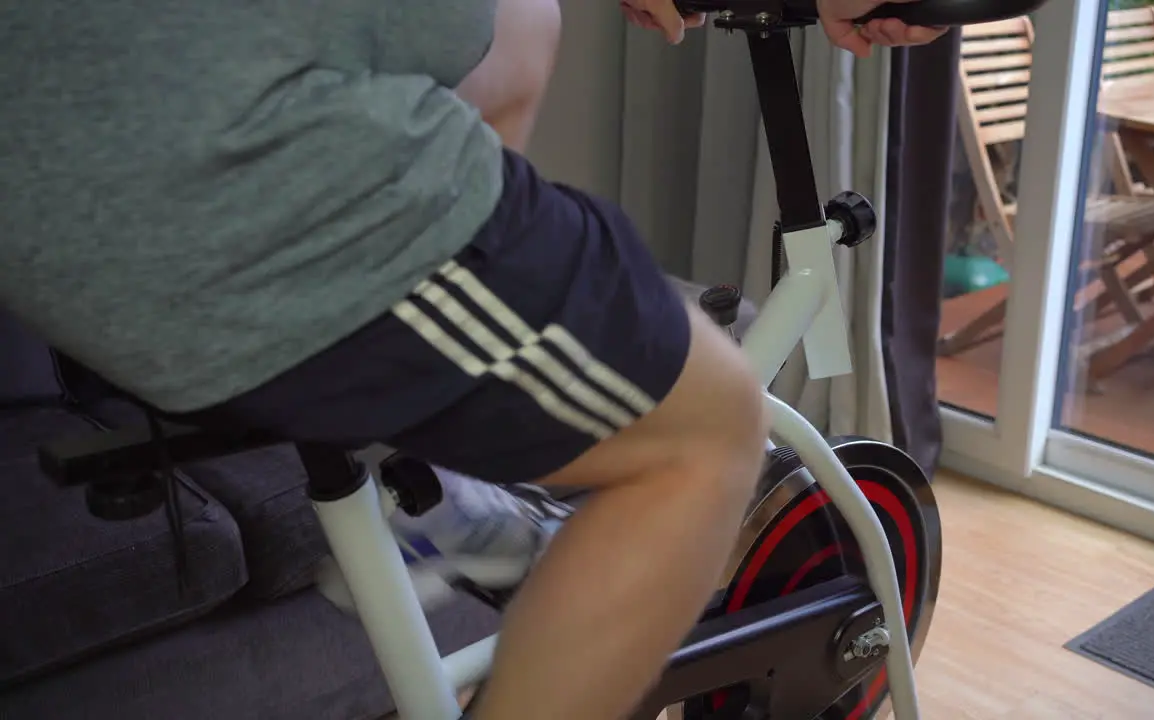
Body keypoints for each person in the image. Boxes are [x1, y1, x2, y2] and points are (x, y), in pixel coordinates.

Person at [0, 0, 945, 718]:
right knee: (704, 431)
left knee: (520, 30)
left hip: (49, 189)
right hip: (204, 183)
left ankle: (436, 466)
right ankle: (449, 463)